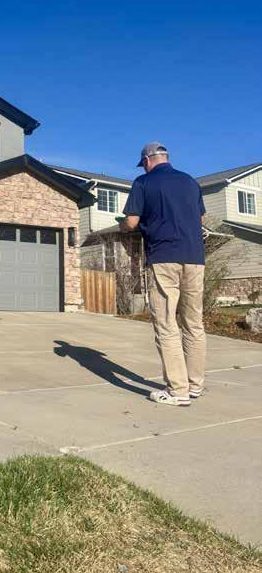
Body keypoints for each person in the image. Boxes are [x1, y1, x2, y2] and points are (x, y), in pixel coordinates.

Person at [120, 142, 206, 407]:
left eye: (143, 164)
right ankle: (194, 385)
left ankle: (178, 391)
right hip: (195, 258)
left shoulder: (143, 183)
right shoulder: (190, 182)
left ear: (147, 160)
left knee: (167, 325)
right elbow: (200, 220)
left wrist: (123, 227)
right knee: (194, 324)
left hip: (163, 258)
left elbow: (132, 221)